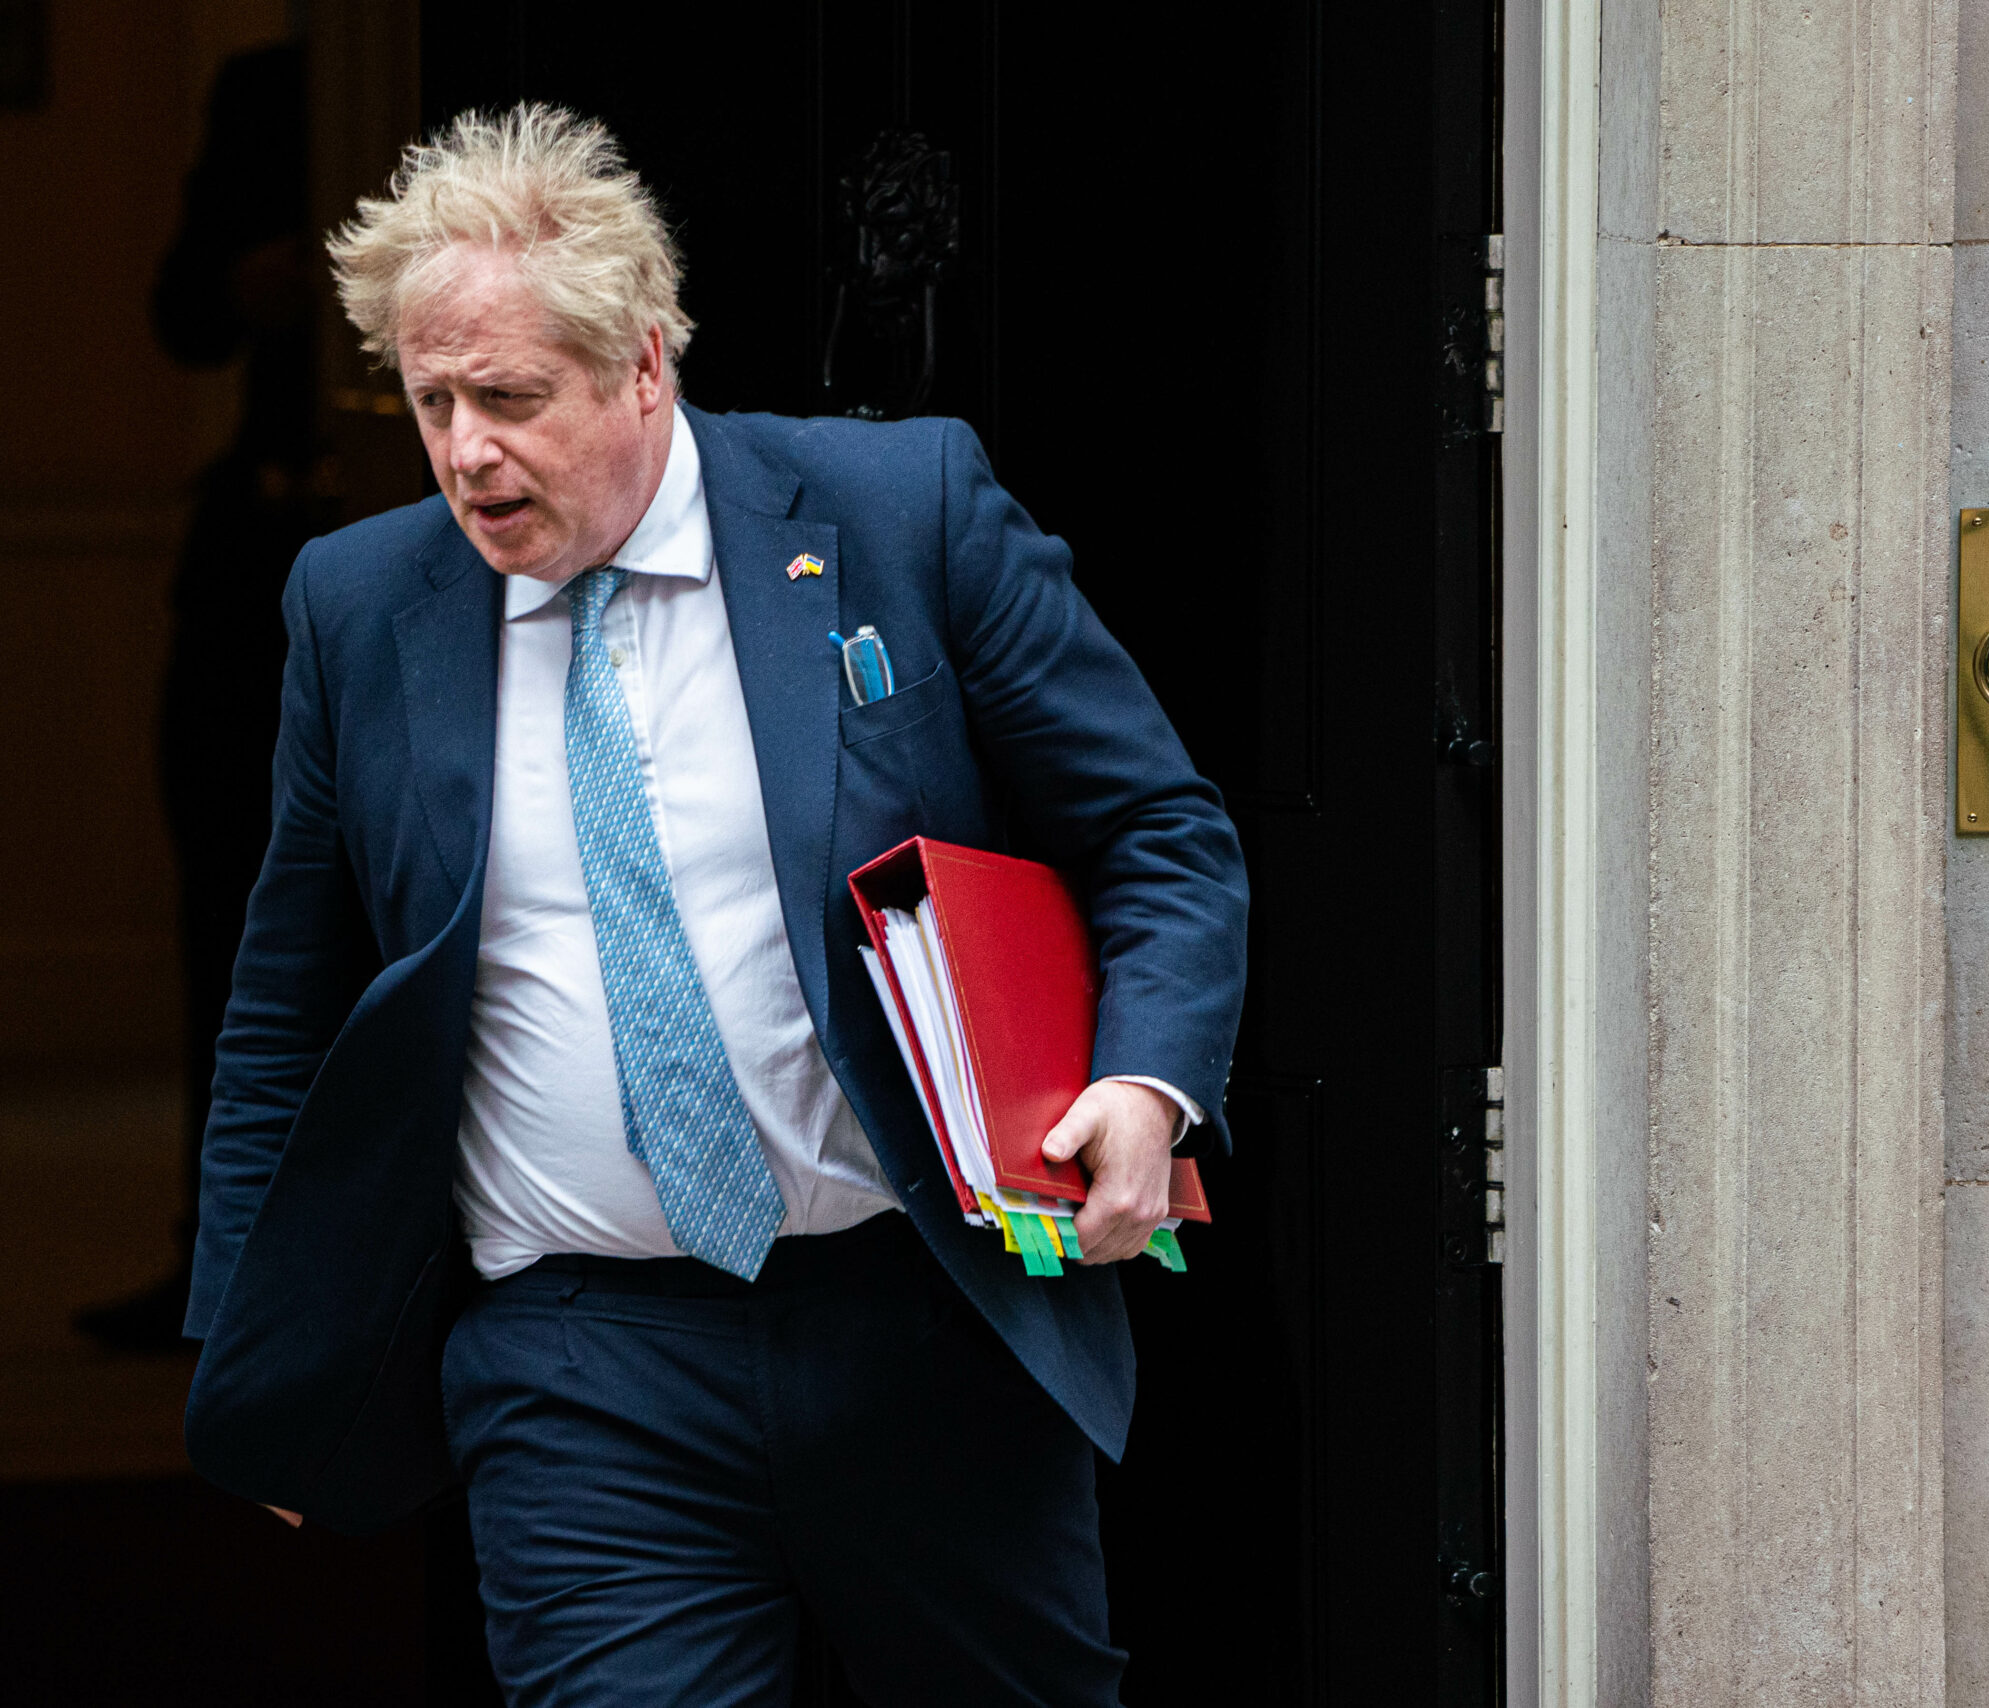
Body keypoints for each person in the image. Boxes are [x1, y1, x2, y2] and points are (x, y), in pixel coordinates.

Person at [181, 104, 1249, 1708]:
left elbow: (1159, 829)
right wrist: (261, 1358)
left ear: (645, 367)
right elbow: (290, 1000)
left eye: (512, 398)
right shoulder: (360, 607)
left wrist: (1148, 1084)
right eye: (431, 403)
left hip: (922, 1325)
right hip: (579, 1360)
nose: (468, 450)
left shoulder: (900, 514)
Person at [79, 37, 320, 1351]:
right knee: (228, 917)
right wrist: (252, 282)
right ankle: (221, 1256)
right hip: (262, 547)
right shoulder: (274, 89)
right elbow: (181, 312)